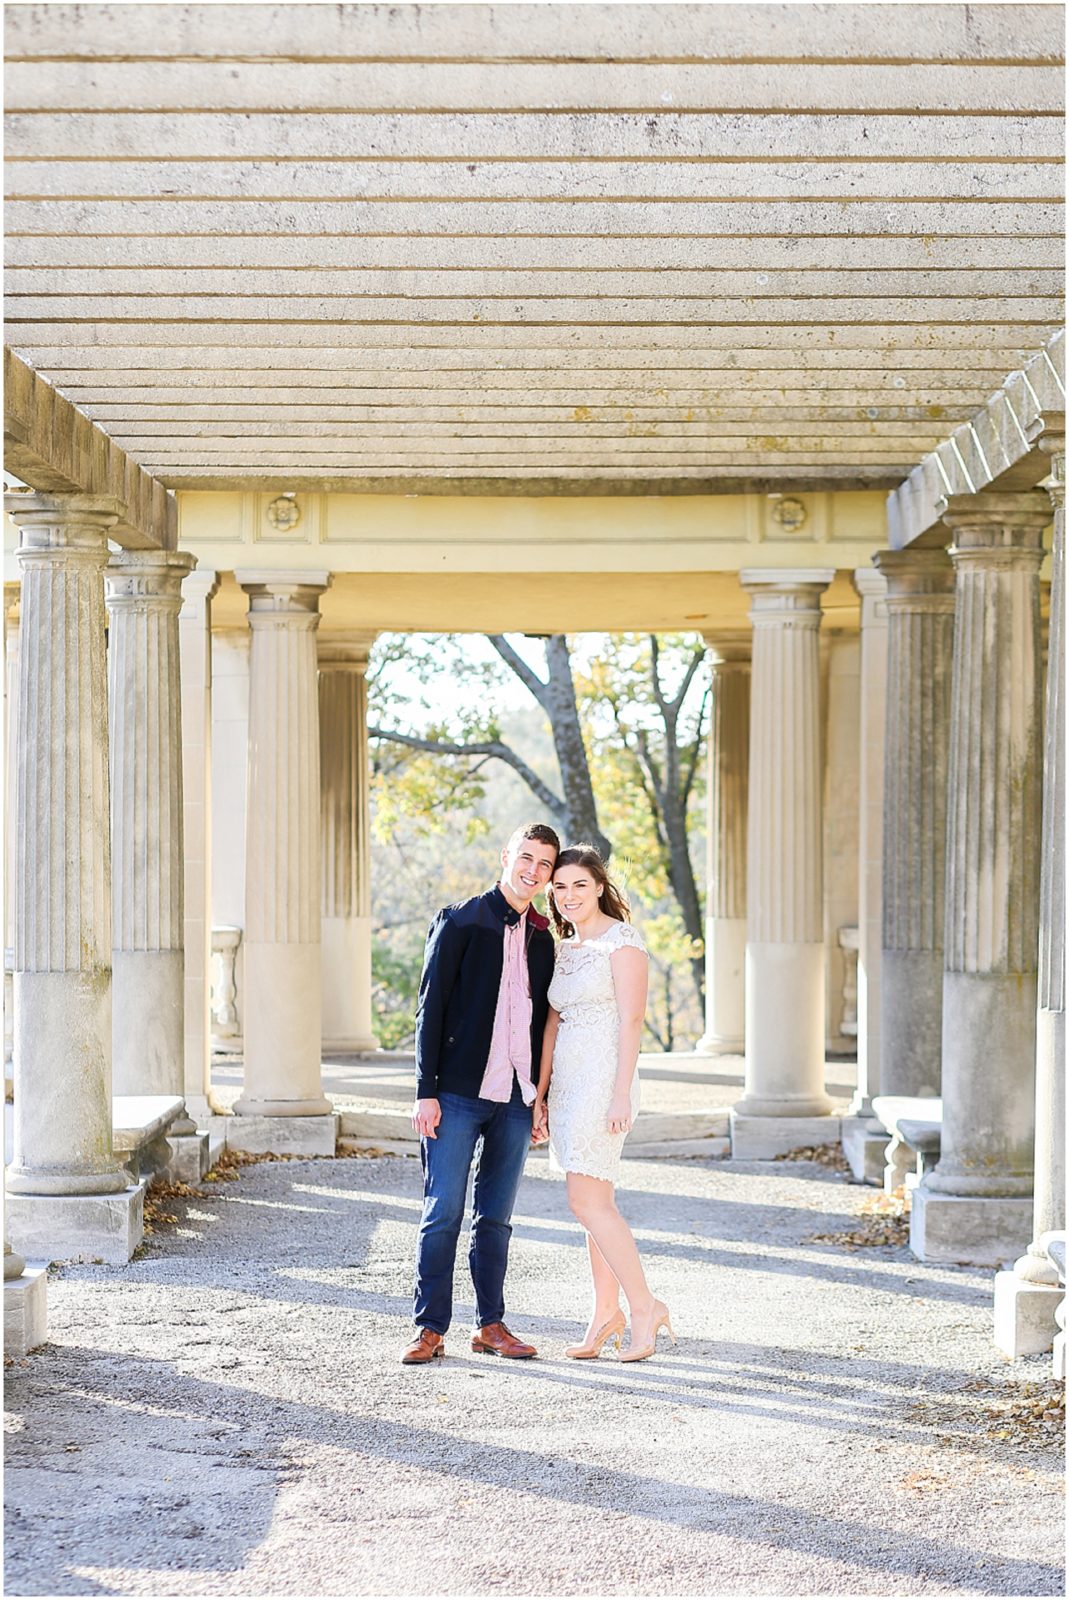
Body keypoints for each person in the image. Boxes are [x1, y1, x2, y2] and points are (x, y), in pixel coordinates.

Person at [401, 821, 560, 1365]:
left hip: (516, 1098)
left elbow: (545, 1027)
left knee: (496, 1216)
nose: (532, 871)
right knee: (443, 1210)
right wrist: (426, 1091)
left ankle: (490, 1325)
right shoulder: (460, 922)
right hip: (459, 1093)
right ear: (506, 856)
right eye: (526, 857)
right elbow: (429, 1011)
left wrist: (541, 1098)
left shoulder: (544, 941)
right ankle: (429, 1328)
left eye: (544, 864)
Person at [533, 845, 674, 1363]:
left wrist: (620, 1092)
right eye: (560, 887)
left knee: (586, 1202)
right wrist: (541, 1093)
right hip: (568, 1083)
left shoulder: (622, 941)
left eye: (579, 885)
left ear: (599, 887)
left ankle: (644, 1307)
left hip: (604, 1081)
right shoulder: (565, 947)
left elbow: (632, 1021)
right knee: (595, 1206)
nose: (569, 896)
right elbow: (551, 1022)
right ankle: (604, 1313)